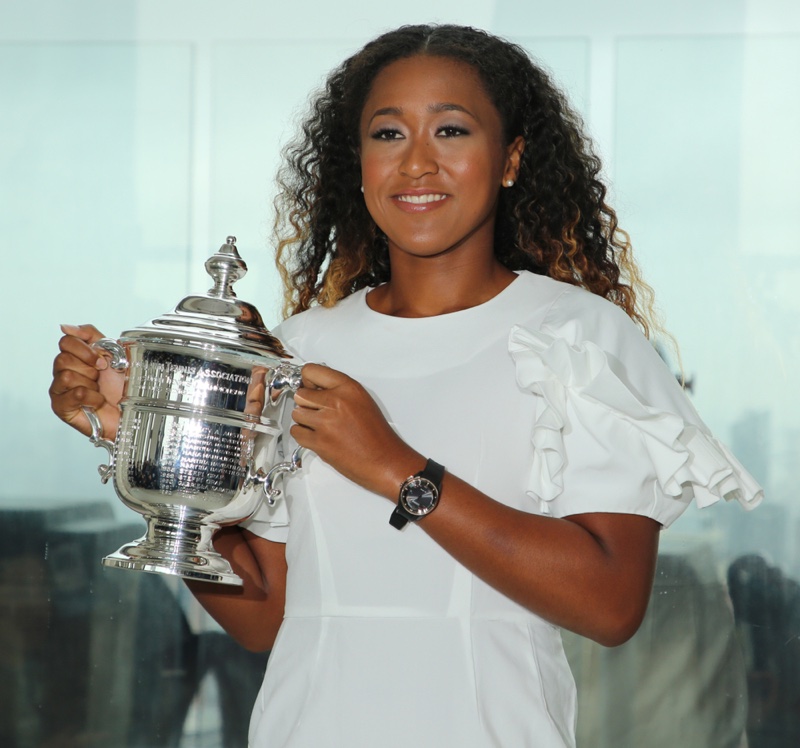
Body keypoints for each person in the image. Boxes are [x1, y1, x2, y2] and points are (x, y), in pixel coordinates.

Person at [49, 24, 763, 748]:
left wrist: (396, 469)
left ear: (511, 158)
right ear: (357, 164)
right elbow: (267, 612)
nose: (417, 163)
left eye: (451, 130)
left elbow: (611, 605)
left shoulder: (579, 337)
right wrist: (148, 441)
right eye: (388, 134)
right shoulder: (303, 347)